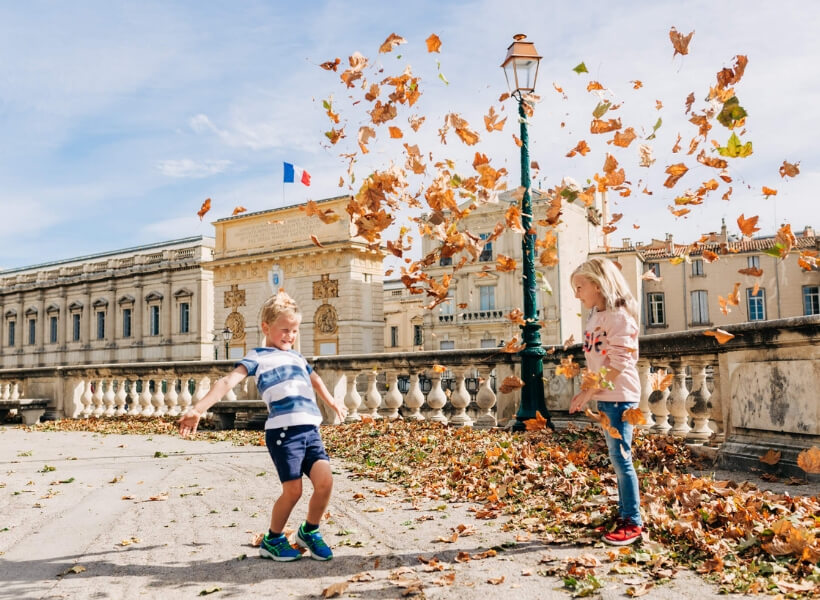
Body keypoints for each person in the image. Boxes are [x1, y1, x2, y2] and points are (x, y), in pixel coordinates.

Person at [178, 291, 348, 561]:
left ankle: (309, 531)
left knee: (325, 482)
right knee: (294, 490)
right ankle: (273, 538)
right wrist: (198, 409)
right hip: (283, 434)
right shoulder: (258, 357)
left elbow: (316, 381)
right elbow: (226, 382)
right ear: (266, 328)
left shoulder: (298, 358)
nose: (290, 336)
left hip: (310, 431)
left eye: (294, 331)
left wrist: (333, 402)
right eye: (284, 330)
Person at [568, 258, 643, 546]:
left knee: (622, 460)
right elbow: (596, 362)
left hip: (620, 396)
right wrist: (586, 389)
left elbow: (618, 364)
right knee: (617, 458)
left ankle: (633, 522)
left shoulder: (619, 317)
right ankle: (625, 514)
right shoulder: (595, 316)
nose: (577, 294)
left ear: (598, 286)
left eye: (580, 287)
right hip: (605, 396)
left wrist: (588, 393)